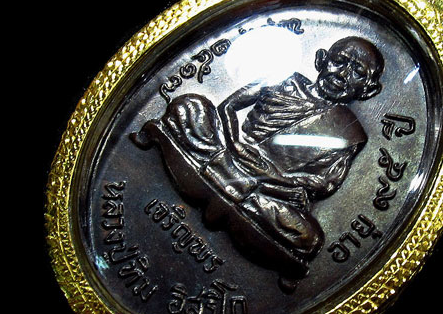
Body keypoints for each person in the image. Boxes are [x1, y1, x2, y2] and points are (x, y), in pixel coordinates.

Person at [133, 36, 384, 287]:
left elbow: (324, 183)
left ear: (368, 90)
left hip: (269, 190)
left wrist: (274, 177)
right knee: (189, 106)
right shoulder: (285, 79)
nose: (343, 74)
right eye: (339, 61)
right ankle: (235, 186)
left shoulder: (349, 132)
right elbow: (229, 106)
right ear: (321, 60)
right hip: (227, 151)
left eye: (358, 72)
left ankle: (228, 180)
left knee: (309, 239)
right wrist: (235, 143)